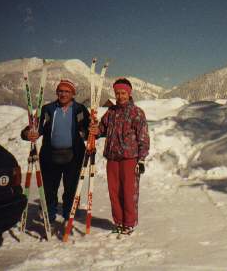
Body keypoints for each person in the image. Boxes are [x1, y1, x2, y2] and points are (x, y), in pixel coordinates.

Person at [21, 79, 90, 224]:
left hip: (74, 155)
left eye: (67, 91)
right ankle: (49, 215)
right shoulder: (47, 109)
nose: (63, 94)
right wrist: (28, 134)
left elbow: (89, 129)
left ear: (73, 93)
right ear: (57, 92)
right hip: (50, 156)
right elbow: (35, 128)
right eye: (60, 91)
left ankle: (68, 215)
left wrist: (89, 132)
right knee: (49, 189)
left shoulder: (80, 109)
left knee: (71, 188)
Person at [90, 78, 149, 236]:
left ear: (129, 93)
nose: (120, 96)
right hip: (112, 158)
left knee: (128, 192)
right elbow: (101, 129)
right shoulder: (111, 112)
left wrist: (141, 158)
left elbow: (143, 137)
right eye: (117, 93)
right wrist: (96, 130)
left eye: (123, 93)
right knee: (114, 192)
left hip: (129, 158)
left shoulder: (137, 113)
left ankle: (129, 222)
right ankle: (118, 221)